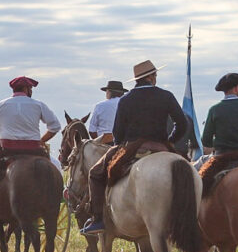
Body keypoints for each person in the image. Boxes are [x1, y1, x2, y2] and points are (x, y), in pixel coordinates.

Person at [80, 60, 186, 235]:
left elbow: (118, 132)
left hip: (132, 147)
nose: (156, 78)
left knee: (95, 173)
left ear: (138, 79)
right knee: (188, 170)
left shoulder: (126, 100)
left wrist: (119, 147)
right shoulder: (166, 96)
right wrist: (170, 141)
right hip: (161, 146)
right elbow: (181, 124)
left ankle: (98, 219)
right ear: (150, 77)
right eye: (155, 75)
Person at [0, 76, 61, 215]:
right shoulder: (38, 105)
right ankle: (55, 198)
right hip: (34, 150)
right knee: (54, 169)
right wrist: (42, 140)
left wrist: (0, 137)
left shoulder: (1, 105)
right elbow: (55, 126)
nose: (31, 91)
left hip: (7, 149)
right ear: (27, 89)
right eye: (31, 88)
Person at [87, 80, 126, 144]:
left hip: (103, 142)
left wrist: (99, 143)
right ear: (122, 93)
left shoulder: (99, 106)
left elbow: (92, 130)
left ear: (109, 92)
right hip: (123, 143)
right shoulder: (127, 104)